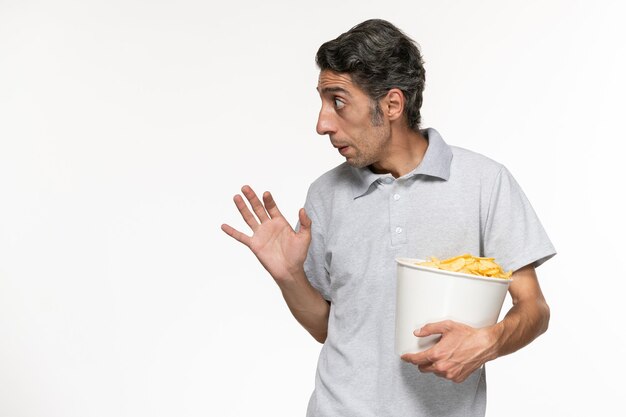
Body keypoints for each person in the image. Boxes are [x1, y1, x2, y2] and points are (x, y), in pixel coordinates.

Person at [221, 19, 555, 417]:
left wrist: (491, 340)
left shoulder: (485, 183)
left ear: (392, 105)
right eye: (322, 102)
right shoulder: (324, 195)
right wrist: (289, 275)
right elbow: (327, 328)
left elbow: (533, 308)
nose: (322, 123)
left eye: (338, 101)